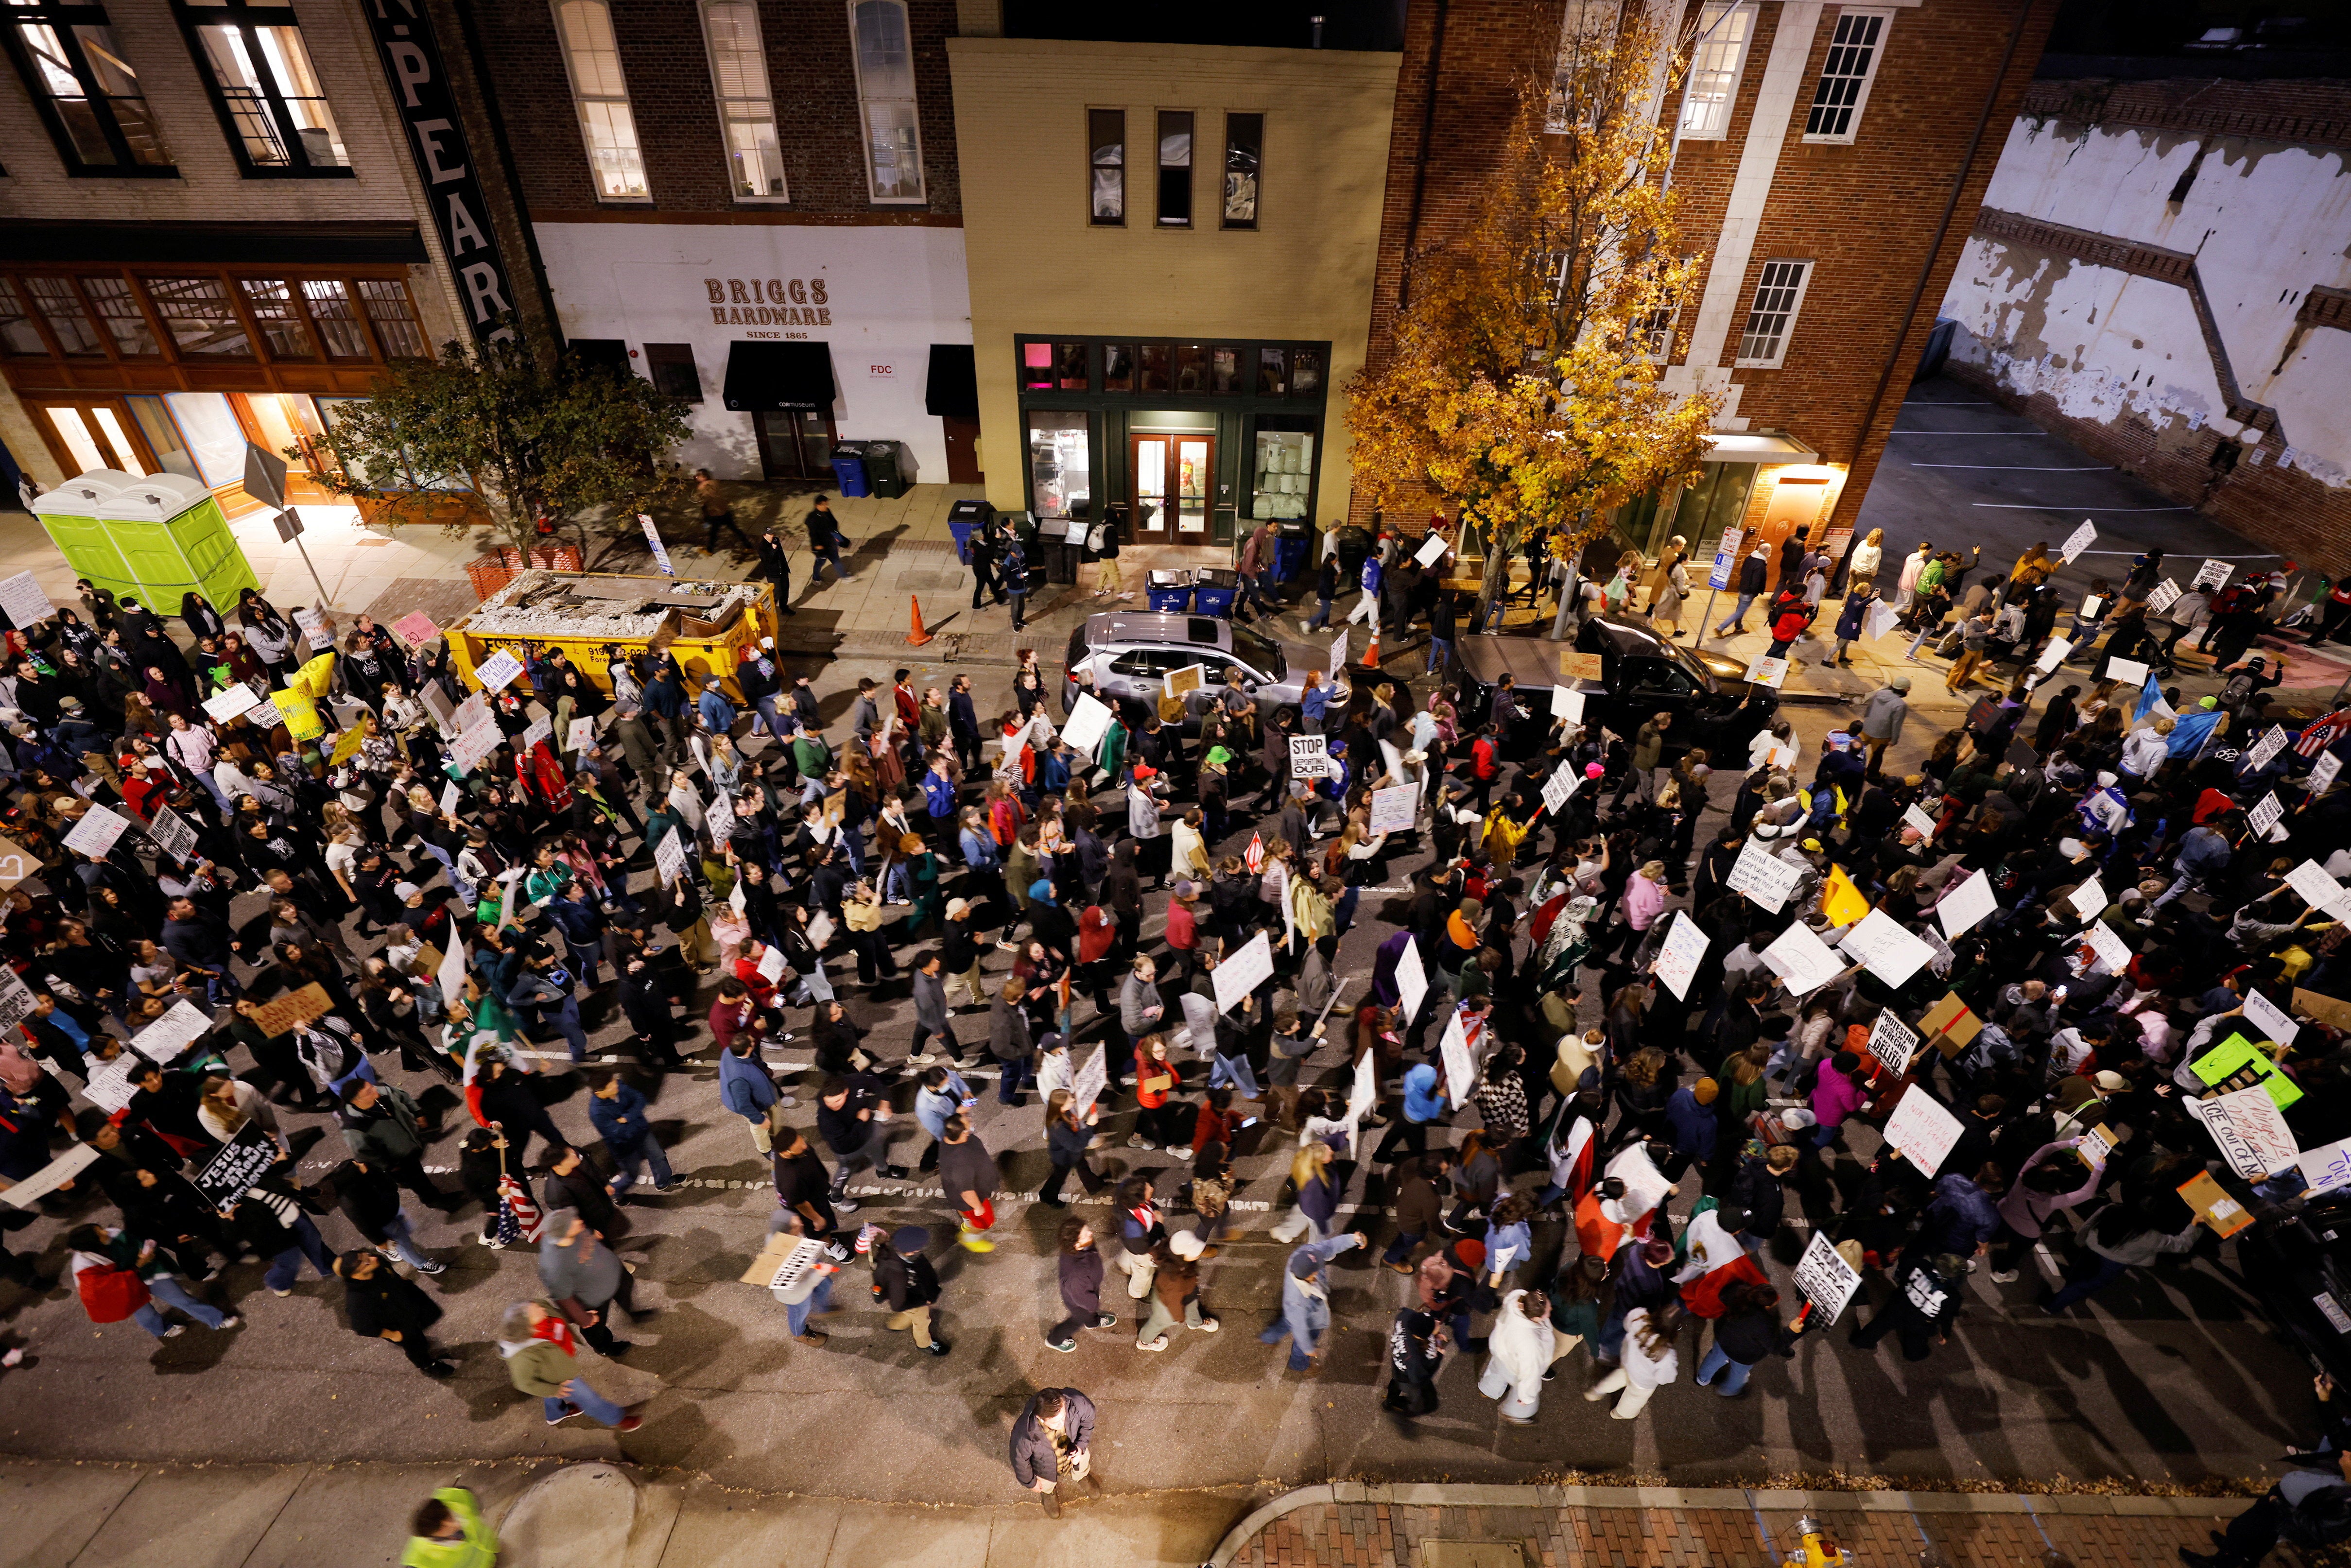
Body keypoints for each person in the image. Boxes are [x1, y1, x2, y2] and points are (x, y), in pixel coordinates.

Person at [2177, 1449, 2351, 1567]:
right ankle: (2240, 1552)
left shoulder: (2348, 1506)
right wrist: (2325, 1401)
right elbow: (2340, 1436)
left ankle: (2220, 1563)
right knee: (2257, 1535)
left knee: (2241, 1529)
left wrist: (2279, 1506)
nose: (2346, 1452)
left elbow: (2316, 1530)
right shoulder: (2345, 1480)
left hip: (2285, 1511)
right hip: (2282, 1500)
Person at [497, 1298, 646, 1431]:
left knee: (553, 1392)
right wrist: (554, 1389)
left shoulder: (539, 1306)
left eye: (536, 1306)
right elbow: (524, 1383)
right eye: (536, 1312)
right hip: (561, 1376)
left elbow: (559, 1315)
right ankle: (616, 1418)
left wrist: (581, 1316)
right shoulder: (522, 1355)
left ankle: (556, 1414)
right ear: (528, 1327)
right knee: (590, 1400)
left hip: (561, 1360)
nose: (542, 1309)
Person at [336, 1249, 454, 1377]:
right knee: (415, 1346)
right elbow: (362, 1327)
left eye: (368, 1256)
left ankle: (422, 1341)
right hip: (398, 1325)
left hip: (410, 1302)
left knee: (431, 1316)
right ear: (356, 1275)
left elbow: (391, 1272)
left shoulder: (378, 1262)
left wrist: (403, 1281)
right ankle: (428, 1366)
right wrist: (393, 1335)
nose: (373, 1259)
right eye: (367, 1262)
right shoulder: (359, 1300)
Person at [1009, 1386, 1099, 1517]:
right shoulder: (1024, 1434)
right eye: (1056, 1422)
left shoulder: (1077, 1403)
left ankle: (1082, 1475)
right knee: (1046, 1482)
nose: (1062, 1423)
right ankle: (1048, 1491)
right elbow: (1020, 1461)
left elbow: (1088, 1422)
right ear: (1040, 1418)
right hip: (1045, 1467)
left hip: (1075, 1453)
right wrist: (1031, 1483)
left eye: (1064, 1417)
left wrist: (1080, 1447)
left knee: (1083, 1461)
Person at [876, 1224, 950, 1356]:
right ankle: (924, 1344)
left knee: (911, 1313)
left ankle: (897, 1325)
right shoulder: (897, 1275)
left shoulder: (896, 1250)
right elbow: (898, 1305)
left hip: (912, 1295)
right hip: (914, 1300)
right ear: (910, 1252)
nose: (921, 1250)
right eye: (919, 1249)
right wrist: (924, 1301)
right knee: (923, 1321)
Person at [1048, 1216, 1118, 1350]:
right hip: (1080, 1304)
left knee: (1090, 1313)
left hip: (1087, 1291)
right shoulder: (1076, 1276)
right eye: (1086, 1235)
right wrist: (1094, 1304)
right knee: (1076, 1322)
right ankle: (1054, 1340)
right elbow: (1083, 1298)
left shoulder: (1080, 1248)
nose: (1091, 1234)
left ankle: (1092, 1322)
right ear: (1077, 1244)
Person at [399, 1486, 500, 1568]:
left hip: (490, 1557)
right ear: (431, 1535)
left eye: (449, 1517)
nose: (455, 1524)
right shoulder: (420, 1558)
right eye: (442, 1528)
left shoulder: (456, 1496)